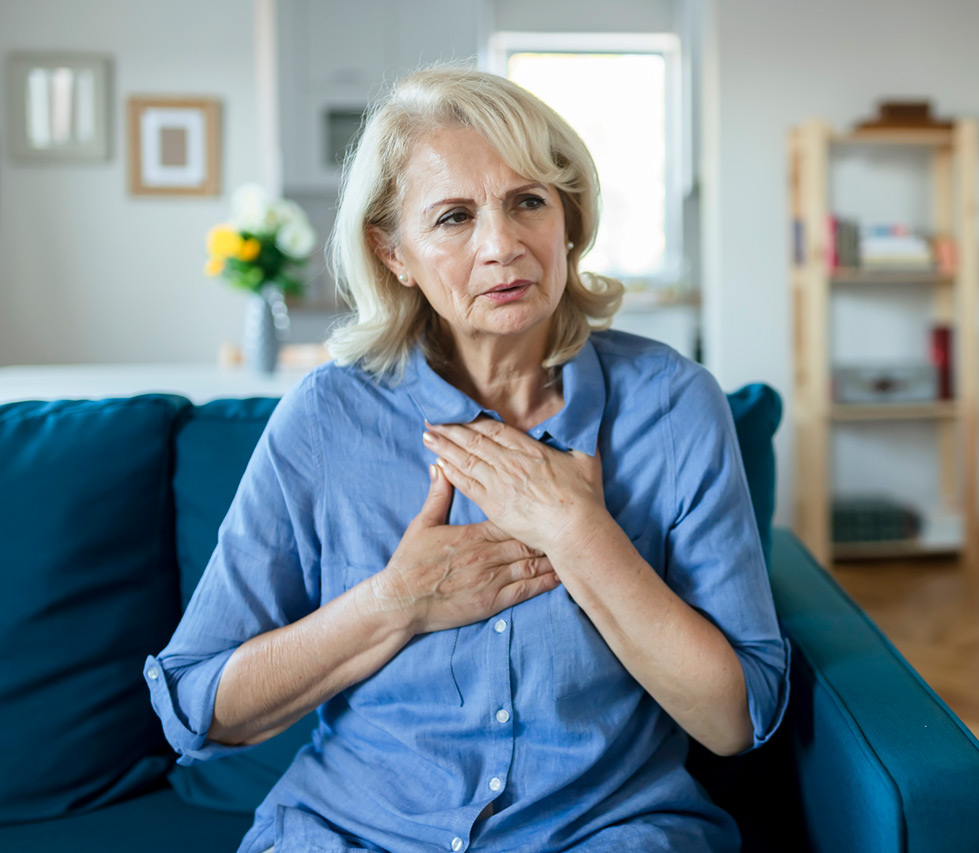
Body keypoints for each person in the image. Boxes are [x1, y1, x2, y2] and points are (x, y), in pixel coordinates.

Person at [145, 66, 789, 853]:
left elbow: (733, 719)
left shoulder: (675, 403)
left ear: (569, 219)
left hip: (603, 831)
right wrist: (395, 601)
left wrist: (579, 531)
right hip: (354, 832)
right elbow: (198, 705)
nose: (503, 246)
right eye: (454, 217)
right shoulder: (327, 416)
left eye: (529, 201)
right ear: (394, 253)